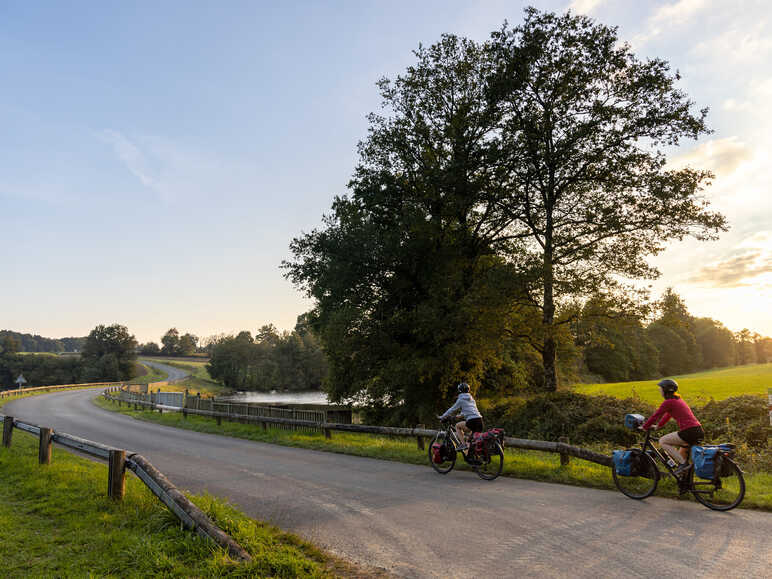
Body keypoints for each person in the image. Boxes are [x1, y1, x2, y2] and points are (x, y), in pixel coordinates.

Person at [640, 379, 704, 476]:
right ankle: (685, 484)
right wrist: (658, 426)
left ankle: (683, 464)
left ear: (666, 390)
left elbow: (656, 416)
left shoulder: (668, 402)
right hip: (698, 430)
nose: (659, 390)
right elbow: (667, 415)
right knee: (681, 454)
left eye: (661, 388)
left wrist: (644, 427)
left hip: (689, 431)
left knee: (663, 441)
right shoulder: (678, 400)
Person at [438, 382, 484, 452]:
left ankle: (463, 444)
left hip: (472, 421)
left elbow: (452, 409)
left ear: (459, 391)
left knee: (457, 426)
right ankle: (472, 458)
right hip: (480, 421)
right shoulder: (472, 399)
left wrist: (442, 416)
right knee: (470, 441)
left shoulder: (461, 399)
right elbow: (468, 411)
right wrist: (457, 416)